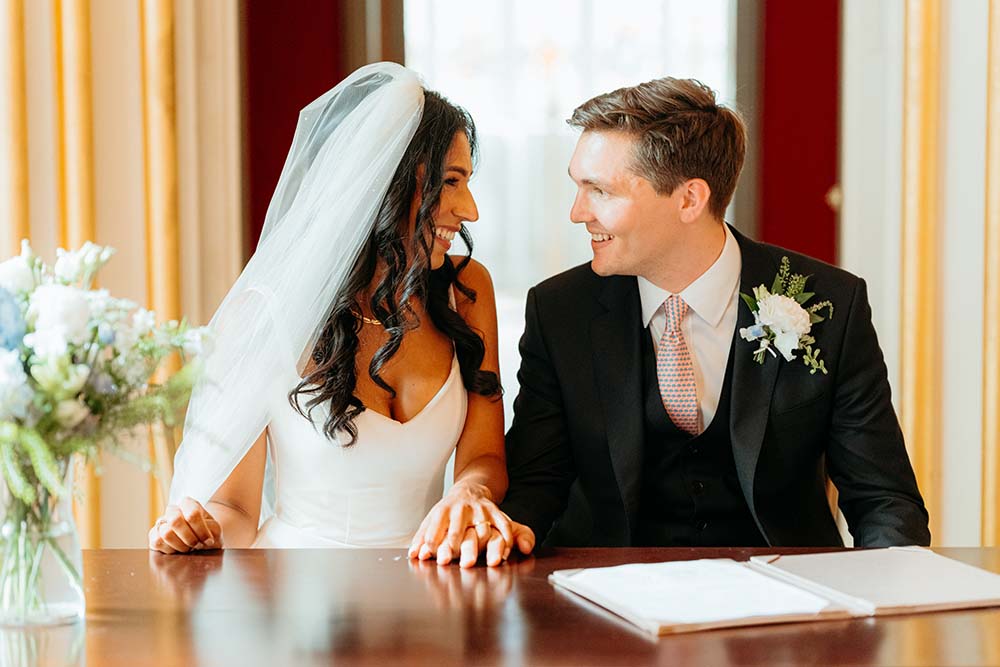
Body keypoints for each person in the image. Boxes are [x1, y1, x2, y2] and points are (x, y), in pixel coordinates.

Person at [497, 77, 930, 550]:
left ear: (689, 199)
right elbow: (535, 486)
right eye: (578, 188)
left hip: (787, 598)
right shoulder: (560, 312)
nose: (578, 213)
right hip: (608, 597)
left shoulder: (829, 303)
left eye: (600, 191)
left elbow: (883, 499)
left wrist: (890, 604)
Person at [149, 63, 532, 567]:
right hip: (297, 605)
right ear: (386, 180)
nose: (470, 209)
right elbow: (235, 508)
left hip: (433, 589)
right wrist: (199, 530)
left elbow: (484, 456)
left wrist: (469, 494)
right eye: (450, 182)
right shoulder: (267, 312)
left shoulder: (467, 289)